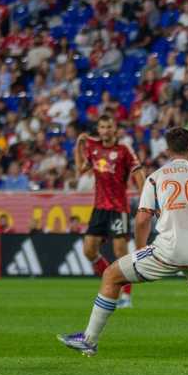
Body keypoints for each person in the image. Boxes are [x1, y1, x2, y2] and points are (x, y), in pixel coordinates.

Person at [58, 127, 188, 363]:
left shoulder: (156, 178)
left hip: (166, 253)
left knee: (111, 275)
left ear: (167, 150)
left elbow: (143, 218)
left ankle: (90, 340)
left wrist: (139, 247)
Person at [74, 114, 145, 308]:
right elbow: (81, 169)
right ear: (98, 129)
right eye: (102, 127)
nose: (105, 130)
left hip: (118, 208)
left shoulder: (123, 150)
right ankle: (110, 279)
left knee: (120, 252)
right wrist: (78, 147)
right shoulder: (93, 148)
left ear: (115, 130)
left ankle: (126, 296)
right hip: (99, 208)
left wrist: (144, 199)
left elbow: (138, 172)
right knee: (89, 250)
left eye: (108, 126)